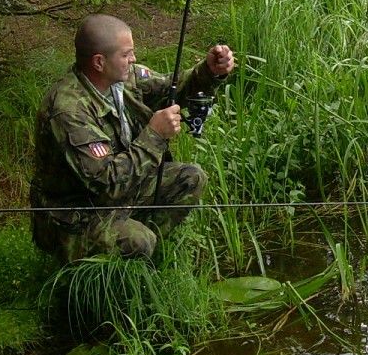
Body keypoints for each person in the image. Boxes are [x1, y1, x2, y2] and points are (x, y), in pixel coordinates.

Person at [30, 13, 235, 264]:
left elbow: (174, 87)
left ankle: (146, 257)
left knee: (190, 179)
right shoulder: (70, 112)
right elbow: (108, 184)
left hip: (118, 192)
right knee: (137, 241)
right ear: (99, 62)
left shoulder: (125, 80)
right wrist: (155, 135)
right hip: (74, 213)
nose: (133, 59)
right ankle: (105, 276)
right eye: (126, 54)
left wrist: (209, 71)